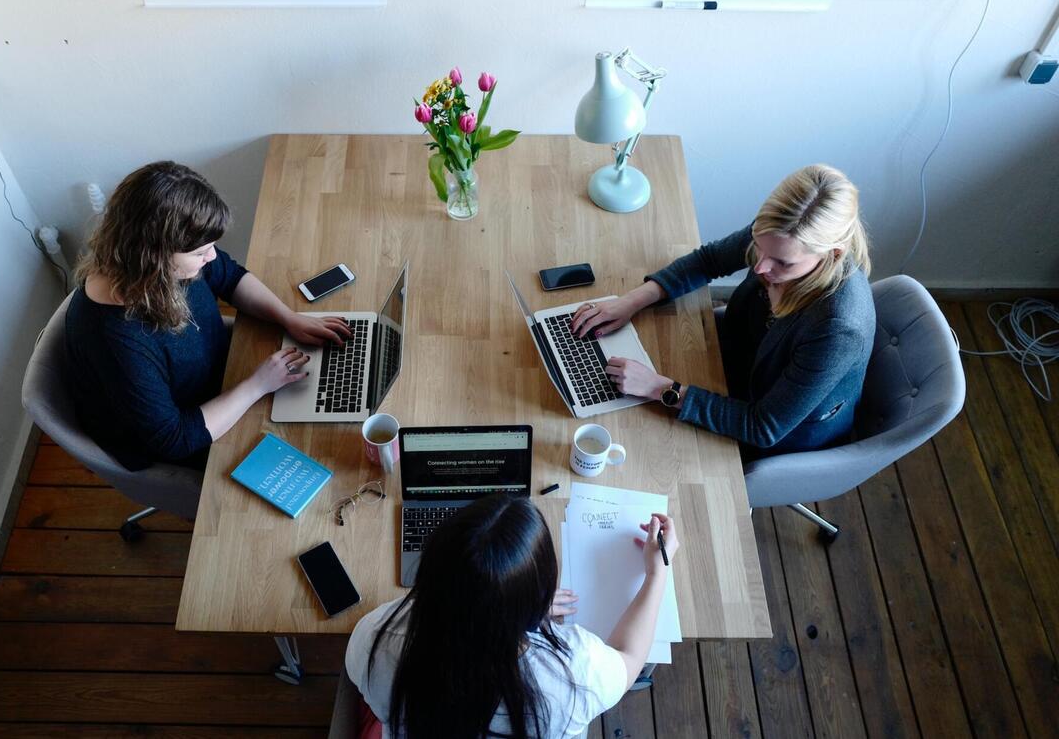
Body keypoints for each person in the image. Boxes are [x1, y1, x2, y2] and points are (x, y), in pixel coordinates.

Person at [572, 164, 875, 457]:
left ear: (833, 254)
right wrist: (631, 301)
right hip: (732, 364)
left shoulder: (837, 328)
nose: (760, 266)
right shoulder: (778, 233)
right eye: (759, 246)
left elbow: (763, 427)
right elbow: (709, 261)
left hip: (773, 432)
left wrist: (659, 387)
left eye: (782, 263)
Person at [65, 161, 351, 471]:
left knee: (329, 412)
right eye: (201, 253)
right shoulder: (115, 341)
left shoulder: (157, 268)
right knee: (322, 450)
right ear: (154, 256)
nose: (211, 257)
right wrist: (257, 386)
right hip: (190, 431)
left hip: (225, 376)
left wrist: (288, 317)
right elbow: (173, 439)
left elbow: (229, 277)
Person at [345, 494, 679, 739]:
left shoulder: (373, 638)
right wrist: (656, 573)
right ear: (536, 608)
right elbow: (630, 657)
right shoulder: (574, 673)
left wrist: (502, 602)